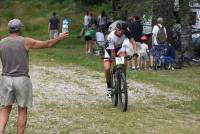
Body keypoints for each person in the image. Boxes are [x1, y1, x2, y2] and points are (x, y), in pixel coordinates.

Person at [0, 19, 68, 134]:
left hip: (6, 79)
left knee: (5, 110)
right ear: (20, 28)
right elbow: (47, 44)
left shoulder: (1, 42)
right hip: (22, 79)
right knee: (22, 110)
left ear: (9, 29)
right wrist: (59, 38)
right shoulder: (26, 41)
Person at [104, 21, 138, 96]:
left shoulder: (126, 32)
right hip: (109, 50)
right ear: (116, 29)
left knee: (124, 61)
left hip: (119, 49)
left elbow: (133, 42)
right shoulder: (111, 36)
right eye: (119, 30)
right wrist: (115, 63)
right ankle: (109, 88)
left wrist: (135, 52)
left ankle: (123, 81)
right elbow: (113, 53)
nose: (121, 32)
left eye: (123, 30)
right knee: (107, 68)